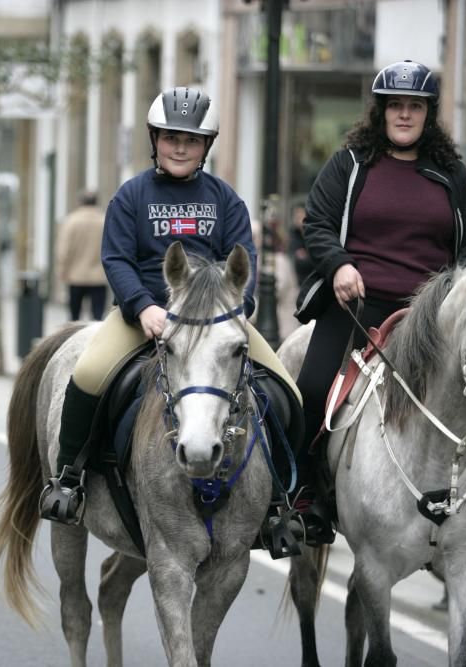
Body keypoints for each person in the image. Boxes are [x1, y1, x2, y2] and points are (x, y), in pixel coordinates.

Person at [39, 86, 302, 540]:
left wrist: (239, 309)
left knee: (287, 393)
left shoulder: (225, 200)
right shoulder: (131, 196)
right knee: (87, 376)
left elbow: (245, 261)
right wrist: (143, 308)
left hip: (213, 321)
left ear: (206, 147)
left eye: (192, 140)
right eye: (170, 137)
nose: (180, 147)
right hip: (144, 317)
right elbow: (116, 259)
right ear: (154, 139)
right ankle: (70, 480)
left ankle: (283, 503)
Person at [292, 60, 466, 546]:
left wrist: (458, 288)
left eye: (415, 107)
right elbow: (316, 222)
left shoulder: (451, 174)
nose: (405, 115)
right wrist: (339, 264)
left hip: (435, 315)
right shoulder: (350, 163)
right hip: (359, 307)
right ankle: (304, 497)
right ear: (380, 111)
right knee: (312, 388)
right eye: (396, 106)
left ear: (429, 113)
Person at [54, 190, 108, 321]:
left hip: (75, 276)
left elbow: (63, 251)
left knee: (74, 317)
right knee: (97, 317)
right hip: (98, 277)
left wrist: (62, 271)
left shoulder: (71, 221)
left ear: (80, 202)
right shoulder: (104, 220)